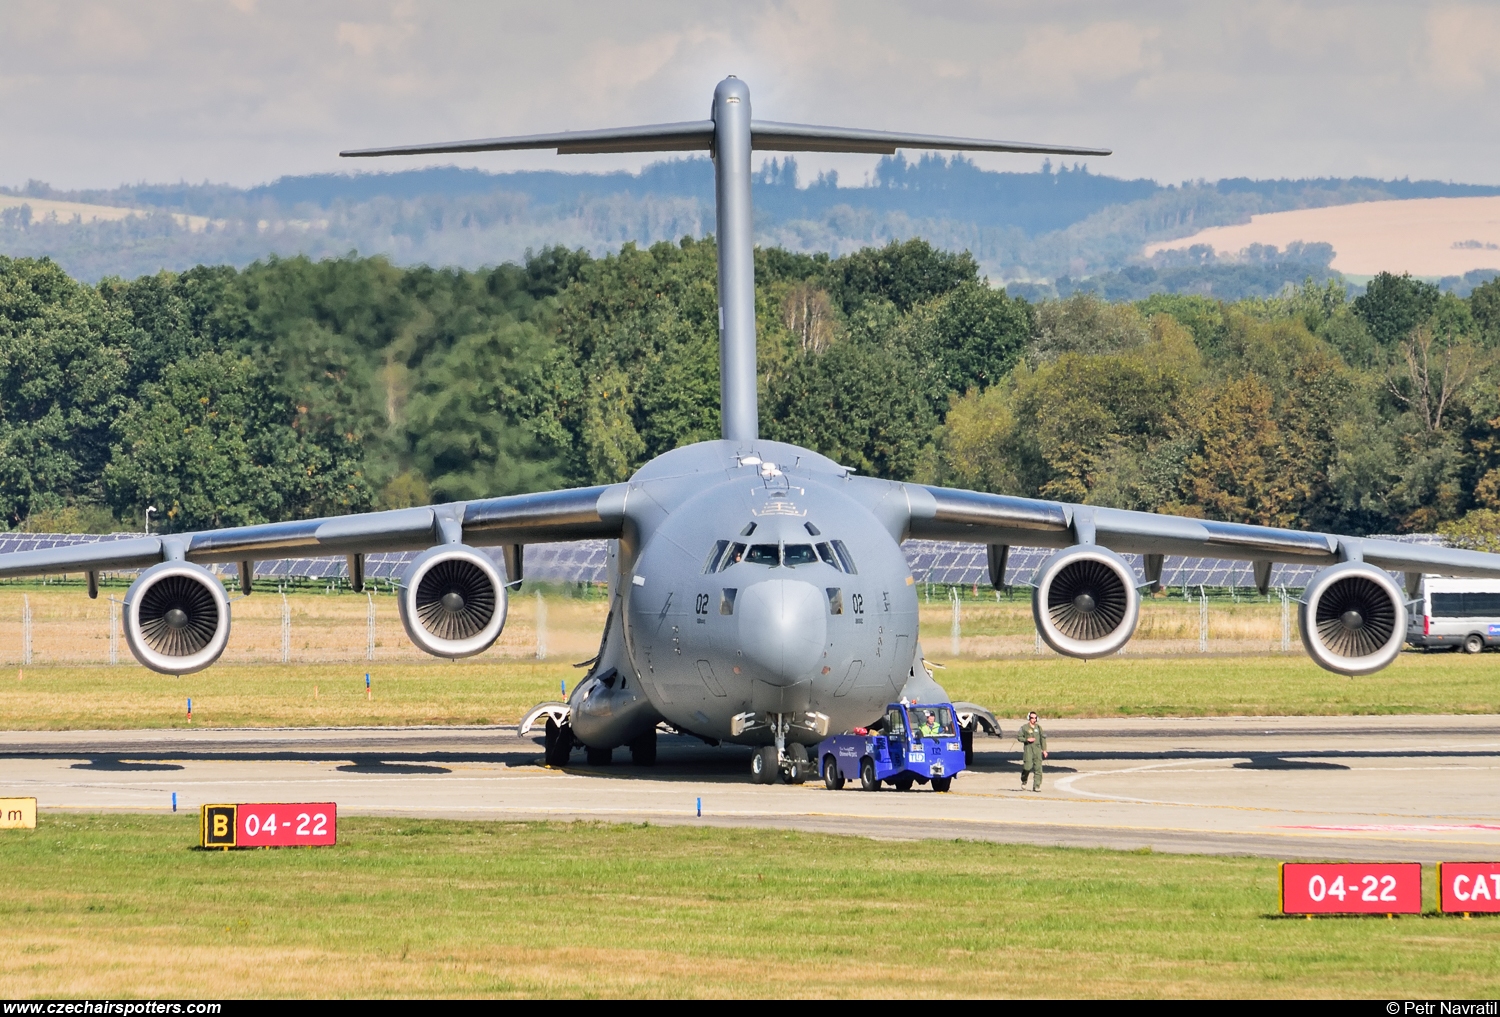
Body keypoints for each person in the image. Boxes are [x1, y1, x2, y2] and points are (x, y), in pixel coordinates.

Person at [1016, 711, 1047, 792]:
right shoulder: (1024, 727)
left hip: (1037, 750)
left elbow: (1042, 739)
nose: (1034, 719)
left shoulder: (1039, 728)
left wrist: (1044, 750)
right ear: (1029, 718)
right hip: (1028, 750)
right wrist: (1027, 739)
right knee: (1027, 767)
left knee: (1038, 769)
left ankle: (1036, 786)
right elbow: (1019, 737)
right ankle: (1024, 780)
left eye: (1035, 718)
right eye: (1032, 718)